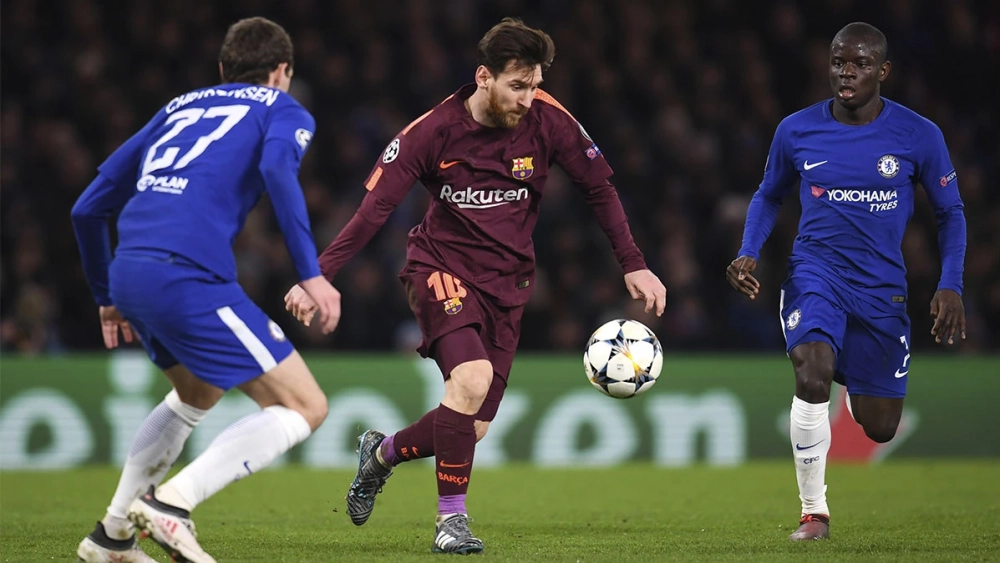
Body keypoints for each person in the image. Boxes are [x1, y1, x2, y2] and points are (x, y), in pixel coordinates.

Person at [285, 17, 666, 555]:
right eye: (518, 86)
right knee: (470, 378)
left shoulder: (549, 118)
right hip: (439, 267)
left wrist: (633, 262)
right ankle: (451, 522)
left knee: (472, 425)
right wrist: (318, 273)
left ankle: (381, 454)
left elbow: (599, 188)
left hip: (508, 283)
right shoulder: (432, 132)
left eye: (535, 84)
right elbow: (375, 210)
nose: (529, 97)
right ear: (483, 77)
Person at [71, 17, 341, 563]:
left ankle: (113, 536)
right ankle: (172, 505)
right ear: (282, 72)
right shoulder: (282, 108)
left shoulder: (178, 107)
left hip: (130, 270)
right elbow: (277, 171)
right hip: (186, 273)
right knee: (306, 405)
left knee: (198, 391)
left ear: (222, 70)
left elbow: (87, 207)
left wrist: (106, 294)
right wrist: (312, 273)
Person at [727, 22, 966, 541]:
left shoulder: (918, 134)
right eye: (838, 62)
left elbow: (950, 212)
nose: (846, 72)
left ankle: (846, 368)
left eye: (859, 64)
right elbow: (769, 195)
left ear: (883, 71)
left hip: (882, 290)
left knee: (879, 424)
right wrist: (749, 251)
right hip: (816, 272)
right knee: (812, 373)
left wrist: (951, 283)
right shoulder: (796, 130)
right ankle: (815, 513)